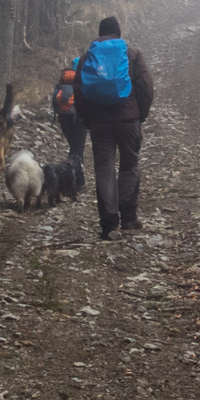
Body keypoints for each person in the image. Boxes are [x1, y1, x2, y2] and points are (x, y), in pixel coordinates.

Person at [72, 14, 154, 240]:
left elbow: (78, 94)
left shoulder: (87, 58)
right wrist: (140, 115)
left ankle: (109, 224)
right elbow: (146, 87)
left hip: (99, 124)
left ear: (99, 34)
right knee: (129, 165)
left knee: (104, 169)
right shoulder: (132, 54)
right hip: (129, 121)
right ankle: (128, 217)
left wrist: (87, 119)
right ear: (118, 33)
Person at [49, 62, 88, 191]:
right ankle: (74, 182)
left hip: (63, 117)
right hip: (79, 118)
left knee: (74, 148)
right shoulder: (84, 78)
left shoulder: (64, 80)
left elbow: (54, 99)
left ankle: (73, 180)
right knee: (78, 150)